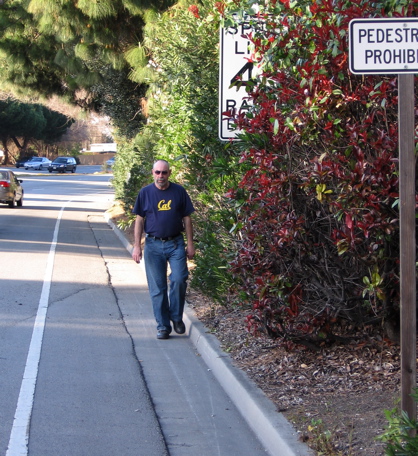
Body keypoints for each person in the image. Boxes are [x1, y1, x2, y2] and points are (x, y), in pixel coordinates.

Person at [132, 159, 195, 339]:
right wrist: (137, 246)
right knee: (157, 288)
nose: (161, 176)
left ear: (170, 173)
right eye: (157, 172)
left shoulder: (179, 192)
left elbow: (187, 219)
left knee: (179, 278)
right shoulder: (145, 193)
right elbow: (139, 220)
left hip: (175, 243)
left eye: (164, 172)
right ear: (152, 173)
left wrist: (190, 244)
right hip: (152, 245)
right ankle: (163, 326)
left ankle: (176, 316)